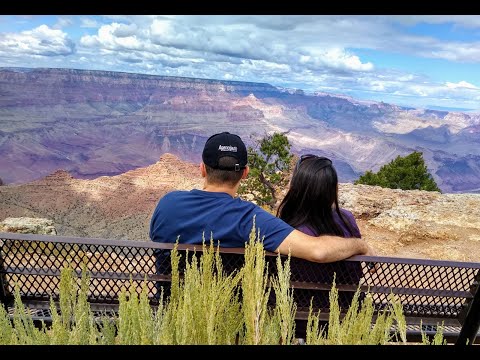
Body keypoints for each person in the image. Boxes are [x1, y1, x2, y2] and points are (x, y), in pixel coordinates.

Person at [149, 132, 374, 270]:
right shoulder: (251, 219)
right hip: (229, 319)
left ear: (202, 169)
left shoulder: (167, 203)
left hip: (170, 310)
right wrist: (361, 245)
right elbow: (318, 251)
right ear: (245, 173)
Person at [277, 154, 365, 310]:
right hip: (345, 314)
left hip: (296, 317)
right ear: (332, 190)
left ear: (296, 189)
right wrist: (361, 245)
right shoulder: (346, 220)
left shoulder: (286, 228)